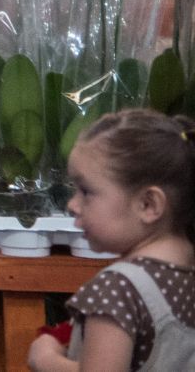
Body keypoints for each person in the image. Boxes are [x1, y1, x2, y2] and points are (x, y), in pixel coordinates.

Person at [29, 108, 195, 372]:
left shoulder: (116, 289)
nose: (72, 205)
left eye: (86, 191)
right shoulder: (185, 271)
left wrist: (46, 359)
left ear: (148, 204)